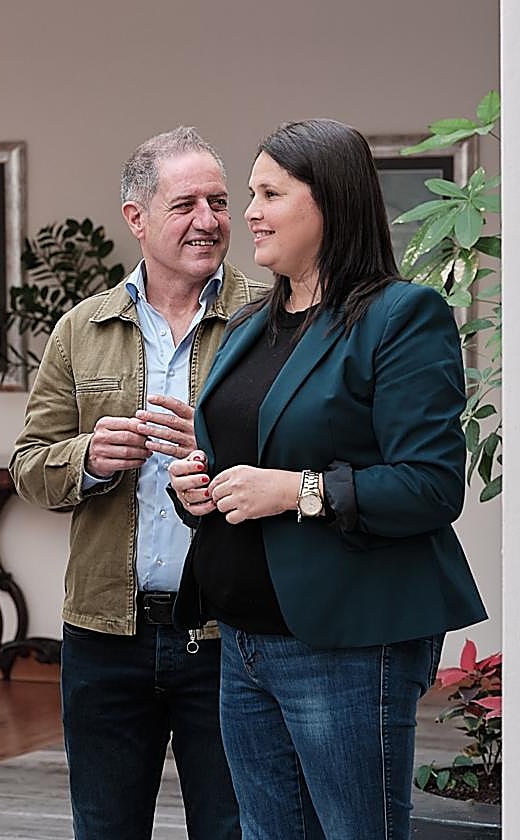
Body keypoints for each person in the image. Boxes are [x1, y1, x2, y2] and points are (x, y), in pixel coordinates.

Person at [168, 118, 488, 839]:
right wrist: (201, 488)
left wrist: (293, 490)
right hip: (243, 640)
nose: (247, 212)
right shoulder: (253, 322)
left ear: (331, 203)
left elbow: (431, 487)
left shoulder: (403, 318)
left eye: (269, 193)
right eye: (250, 193)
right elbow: (242, 456)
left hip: (346, 645)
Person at [11, 127, 262, 840]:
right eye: (186, 204)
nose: (209, 221)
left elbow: (298, 459)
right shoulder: (81, 329)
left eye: (219, 201)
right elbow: (30, 464)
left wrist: (213, 455)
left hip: (230, 636)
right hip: (103, 635)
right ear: (137, 217)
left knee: (235, 827)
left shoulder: (268, 319)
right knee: (105, 827)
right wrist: (90, 457)